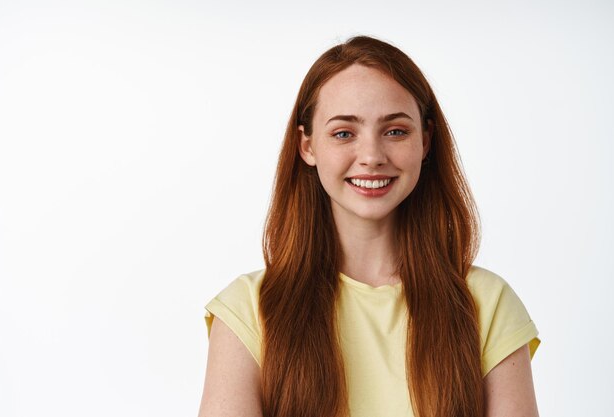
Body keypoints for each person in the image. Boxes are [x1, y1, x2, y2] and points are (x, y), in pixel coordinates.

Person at [198, 35, 540, 417]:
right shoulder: (246, 311)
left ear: (425, 141)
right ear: (307, 146)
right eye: (344, 133)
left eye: (395, 131)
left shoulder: (487, 304)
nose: (372, 156)